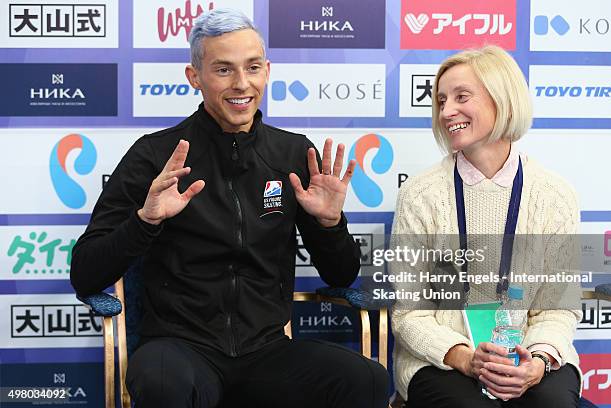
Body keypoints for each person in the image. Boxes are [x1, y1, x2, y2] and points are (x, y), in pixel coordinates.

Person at [70, 8, 389, 408]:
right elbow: (85, 272)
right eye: (223, 70)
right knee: (164, 381)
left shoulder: (293, 153)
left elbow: (341, 274)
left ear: (267, 71)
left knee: (368, 380)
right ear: (195, 77)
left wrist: (329, 223)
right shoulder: (154, 155)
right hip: (180, 349)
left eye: (252, 67)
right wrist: (145, 221)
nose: (242, 84)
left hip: (267, 352)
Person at [390, 46, 582, 407]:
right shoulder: (420, 194)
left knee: (551, 403)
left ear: (502, 97)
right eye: (441, 100)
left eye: (462, 97)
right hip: (443, 361)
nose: (447, 111)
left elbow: (558, 308)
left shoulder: (555, 194)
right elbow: (407, 313)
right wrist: (464, 357)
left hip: (529, 357)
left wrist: (537, 362)